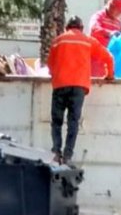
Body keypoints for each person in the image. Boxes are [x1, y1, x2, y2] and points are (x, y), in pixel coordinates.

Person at [47, 16, 114, 165]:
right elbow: (108, 57)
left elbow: (50, 65)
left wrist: (56, 75)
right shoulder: (87, 41)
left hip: (59, 86)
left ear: (67, 27)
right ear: (81, 28)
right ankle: (68, 155)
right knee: (73, 122)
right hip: (78, 87)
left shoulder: (58, 41)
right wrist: (109, 75)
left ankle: (56, 152)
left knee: (56, 122)